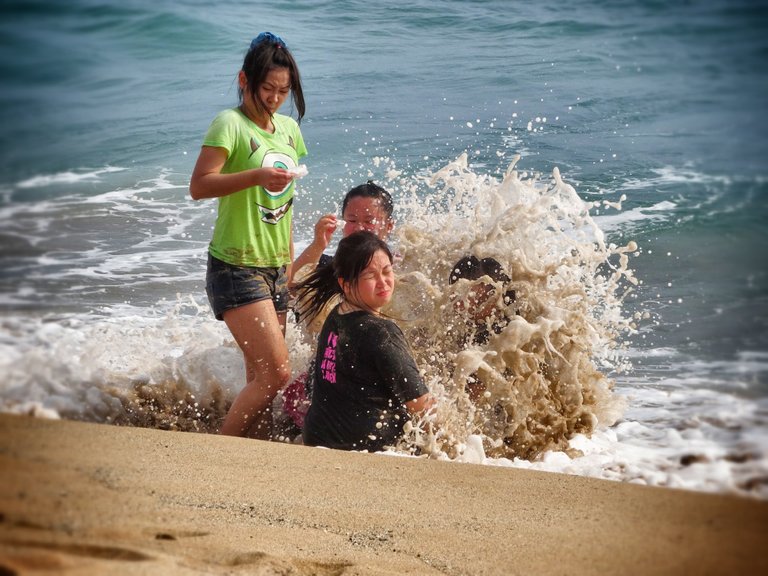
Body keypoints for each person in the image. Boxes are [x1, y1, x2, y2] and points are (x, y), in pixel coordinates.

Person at [189, 32, 307, 438]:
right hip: (235, 265)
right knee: (277, 373)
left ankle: (254, 455)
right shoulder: (230, 124)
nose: (275, 98)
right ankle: (221, 450)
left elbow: (287, 203)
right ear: (244, 81)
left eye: (283, 91)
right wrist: (255, 176)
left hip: (275, 267)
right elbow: (200, 185)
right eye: (267, 88)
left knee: (259, 376)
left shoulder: (289, 130)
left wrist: (289, 264)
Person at [293, 231, 433, 452]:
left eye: (387, 271)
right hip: (364, 448)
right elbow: (419, 403)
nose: (383, 282)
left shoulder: (336, 316)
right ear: (346, 284)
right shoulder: (380, 331)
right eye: (370, 276)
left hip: (317, 437)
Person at [277, 181, 395, 435]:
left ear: (389, 226)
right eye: (351, 219)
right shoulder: (332, 269)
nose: (360, 227)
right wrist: (318, 244)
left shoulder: (397, 272)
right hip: (328, 374)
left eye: (369, 220)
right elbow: (289, 285)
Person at [448, 254, 516, 400]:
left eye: (464, 291)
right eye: (453, 291)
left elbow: (474, 394)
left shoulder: (505, 334)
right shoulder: (479, 329)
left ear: (494, 294)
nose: (455, 300)